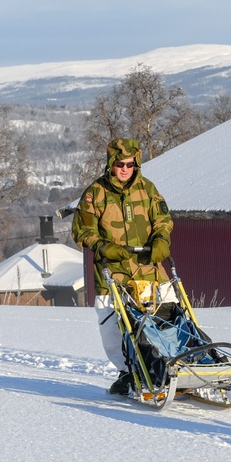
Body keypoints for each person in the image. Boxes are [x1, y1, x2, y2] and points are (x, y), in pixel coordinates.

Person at [72, 138, 174, 394]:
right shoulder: (95, 193)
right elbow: (81, 230)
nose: (125, 168)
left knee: (165, 320)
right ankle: (128, 372)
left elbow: (163, 219)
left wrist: (161, 238)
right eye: (120, 164)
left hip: (148, 271)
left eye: (130, 164)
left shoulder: (148, 189)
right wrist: (101, 245)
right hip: (112, 275)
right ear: (111, 164)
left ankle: (174, 364)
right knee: (112, 330)